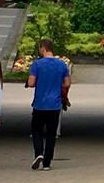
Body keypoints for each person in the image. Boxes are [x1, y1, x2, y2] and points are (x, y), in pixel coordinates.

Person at [26, 40, 73, 170]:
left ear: (43, 48)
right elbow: (67, 83)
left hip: (40, 104)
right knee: (51, 134)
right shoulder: (62, 64)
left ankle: (38, 153)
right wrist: (57, 85)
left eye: (39, 48)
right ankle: (47, 163)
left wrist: (40, 83)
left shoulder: (37, 64)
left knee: (36, 130)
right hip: (55, 104)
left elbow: (31, 83)